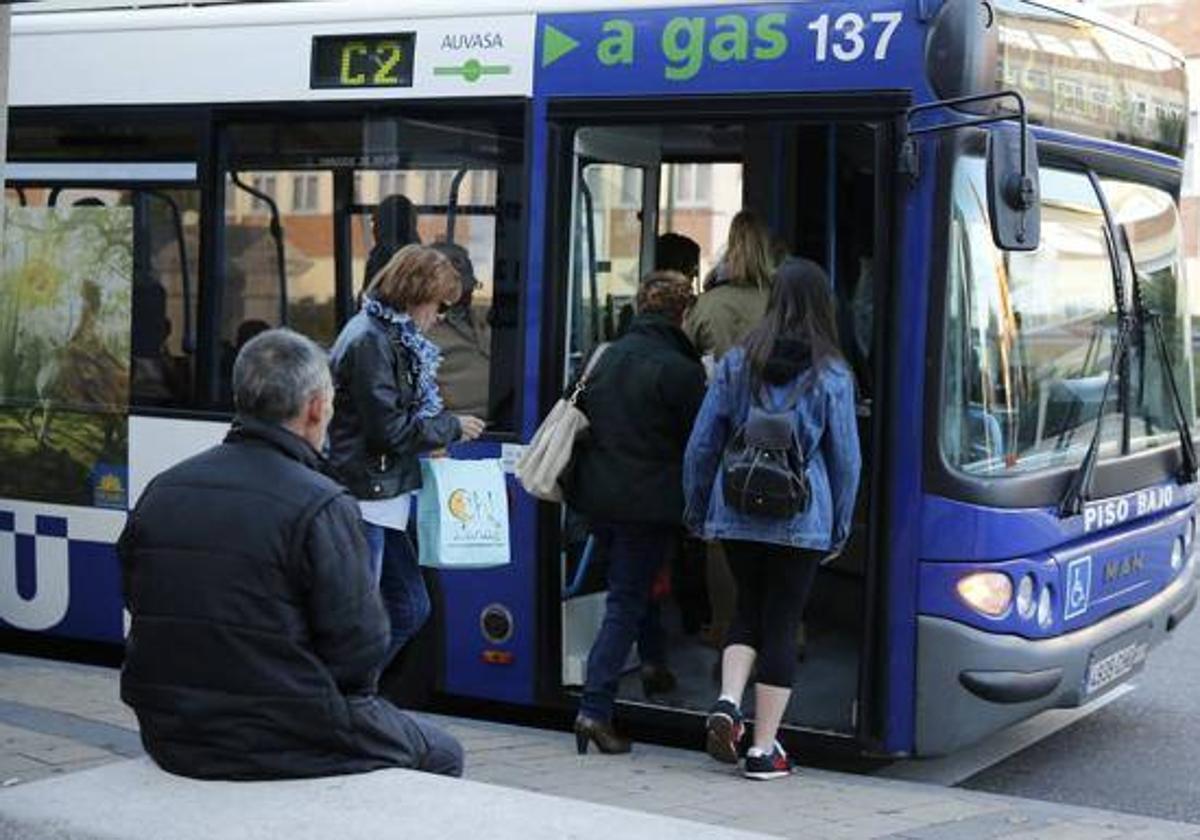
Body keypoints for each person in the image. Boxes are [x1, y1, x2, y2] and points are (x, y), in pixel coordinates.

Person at [118, 328, 464, 780]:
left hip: (170, 730)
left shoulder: (163, 488)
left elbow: (135, 596)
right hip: (280, 733)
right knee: (442, 752)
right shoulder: (323, 503)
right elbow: (359, 649)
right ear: (317, 408)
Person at [683, 257, 861, 781]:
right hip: (802, 515)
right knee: (783, 622)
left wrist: (697, 507)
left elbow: (703, 441)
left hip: (735, 507)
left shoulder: (738, 362)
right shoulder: (832, 373)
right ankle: (763, 750)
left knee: (747, 611)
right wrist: (841, 525)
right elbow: (846, 459)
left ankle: (726, 700)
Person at [563, 271, 707, 755]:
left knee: (637, 582)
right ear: (682, 314)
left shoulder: (607, 356)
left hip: (599, 498)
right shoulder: (681, 370)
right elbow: (698, 441)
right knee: (626, 598)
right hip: (649, 503)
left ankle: (653, 663)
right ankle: (594, 709)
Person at [329, 244, 486, 661]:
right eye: (436, 306)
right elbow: (389, 429)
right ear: (413, 296)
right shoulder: (370, 341)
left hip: (385, 494)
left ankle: (353, 698)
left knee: (411, 608)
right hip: (366, 496)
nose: (437, 318)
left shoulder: (388, 336)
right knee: (372, 618)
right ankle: (344, 703)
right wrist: (450, 428)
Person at [686, 210, 774, 358]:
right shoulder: (782, 303)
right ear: (766, 248)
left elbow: (686, 356)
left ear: (730, 245)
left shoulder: (705, 304)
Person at [426, 242, 491, 419]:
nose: (470, 294)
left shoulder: (484, 318)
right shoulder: (417, 332)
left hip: (508, 418)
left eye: (472, 286)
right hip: (461, 430)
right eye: (463, 288)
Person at [364, 194, 420, 288]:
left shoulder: (382, 256)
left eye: (376, 221)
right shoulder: (421, 255)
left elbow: (370, 296)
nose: (373, 228)